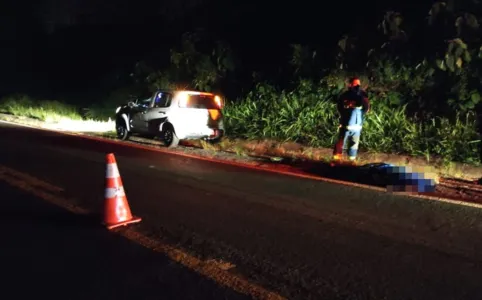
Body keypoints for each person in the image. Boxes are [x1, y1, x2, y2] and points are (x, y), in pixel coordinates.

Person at [332, 77, 370, 163]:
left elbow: (366, 108)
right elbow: (340, 107)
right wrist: (346, 115)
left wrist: (360, 115)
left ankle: (351, 161)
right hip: (346, 125)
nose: (357, 86)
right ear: (350, 85)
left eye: (358, 84)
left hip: (357, 126)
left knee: (354, 145)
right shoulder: (345, 95)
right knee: (341, 143)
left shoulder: (362, 96)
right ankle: (336, 161)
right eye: (355, 84)